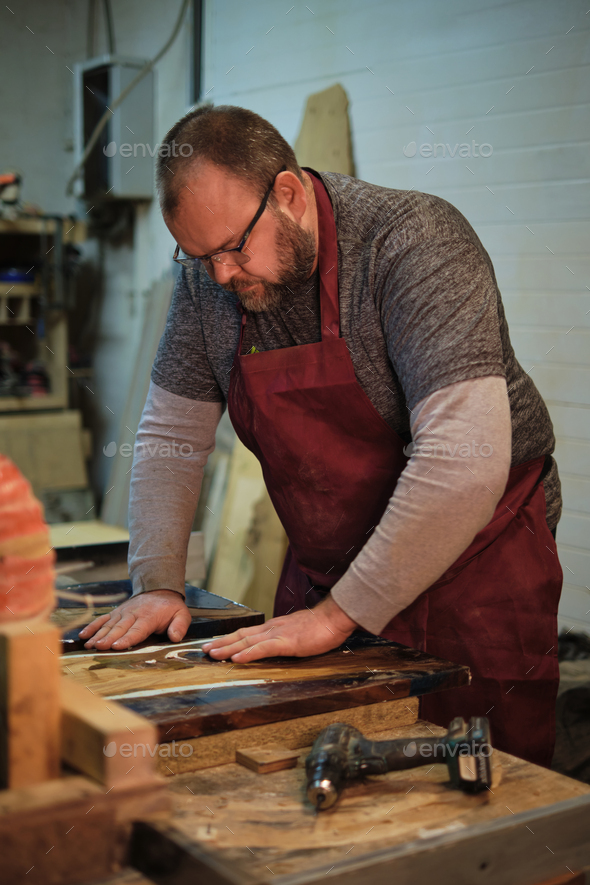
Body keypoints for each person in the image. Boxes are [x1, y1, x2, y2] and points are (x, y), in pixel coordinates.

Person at [80, 105, 563, 766]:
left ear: (287, 193)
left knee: (487, 784)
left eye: (232, 248)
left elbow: (463, 461)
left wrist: (338, 618)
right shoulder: (206, 281)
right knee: (299, 766)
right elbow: (170, 435)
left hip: (475, 565)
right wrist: (159, 580)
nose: (220, 274)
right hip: (329, 569)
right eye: (198, 255)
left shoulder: (413, 242)